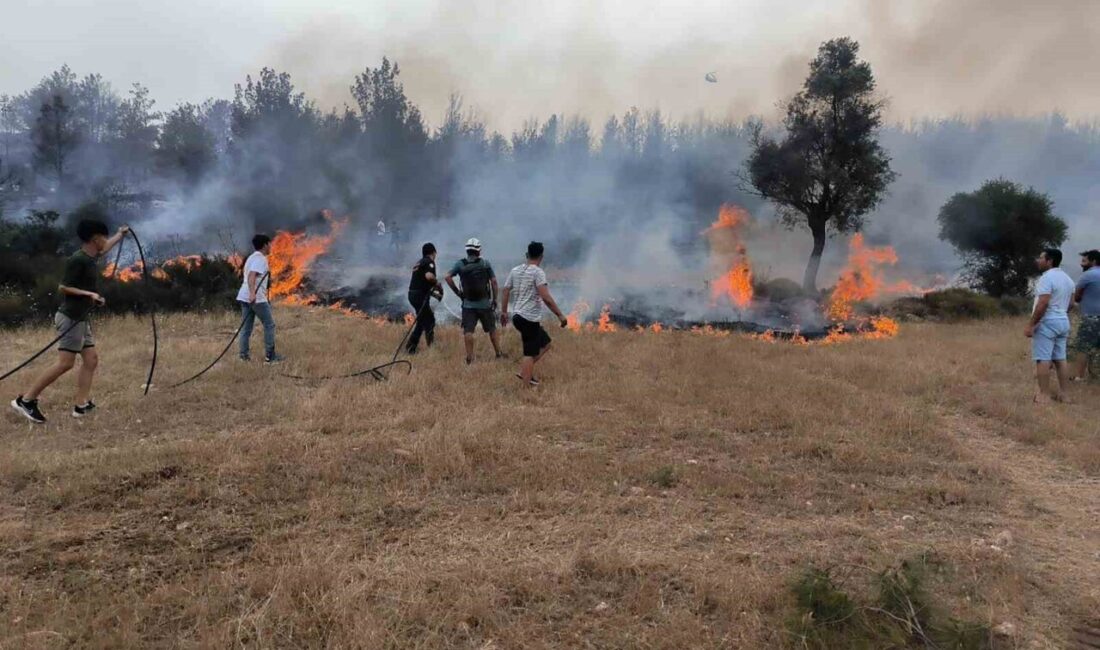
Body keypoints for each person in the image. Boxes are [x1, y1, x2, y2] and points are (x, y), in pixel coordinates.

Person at [11, 217, 129, 424]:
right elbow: (63, 287)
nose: (105, 240)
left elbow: (105, 249)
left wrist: (120, 234)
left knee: (91, 360)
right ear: (95, 238)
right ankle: (26, 401)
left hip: (81, 319)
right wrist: (90, 294)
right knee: (65, 364)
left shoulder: (92, 255)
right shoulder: (78, 260)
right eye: (103, 236)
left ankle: (81, 406)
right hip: (70, 318)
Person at [499, 241, 568, 387]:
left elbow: (505, 290)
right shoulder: (538, 272)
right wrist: (560, 315)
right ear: (541, 257)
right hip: (529, 318)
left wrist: (504, 312)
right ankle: (525, 388)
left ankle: (525, 372)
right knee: (529, 352)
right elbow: (546, 297)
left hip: (517, 316)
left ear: (526, 254)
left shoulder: (515, 270)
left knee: (546, 343)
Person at [1025, 248, 1076, 404]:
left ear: (1050, 260)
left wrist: (1031, 324)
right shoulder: (1068, 279)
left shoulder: (1046, 278)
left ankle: (1044, 395)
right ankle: (1065, 395)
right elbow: (1072, 303)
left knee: (1042, 359)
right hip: (1063, 320)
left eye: (1041, 258)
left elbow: (1043, 303)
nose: (1038, 260)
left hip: (1047, 322)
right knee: (1060, 359)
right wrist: (1061, 314)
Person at [445, 238, 504, 364]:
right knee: (492, 329)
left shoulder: (460, 264)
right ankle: (498, 353)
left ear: (467, 250)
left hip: (468, 304)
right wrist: (494, 299)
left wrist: (458, 292)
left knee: (468, 331)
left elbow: (447, 277)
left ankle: (470, 358)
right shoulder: (485, 264)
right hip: (484, 304)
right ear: (479, 251)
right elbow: (494, 282)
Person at [236, 234, 284, 364]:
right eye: (270, 244)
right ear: (265, 245)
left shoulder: (251, 257)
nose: (271, 247)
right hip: (255, 298)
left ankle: (243, 356)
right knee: (269, 325)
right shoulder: (260, 259)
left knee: (246, 328)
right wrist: (253, 294)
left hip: (243, 296)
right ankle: (270, 357)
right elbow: (252, 276)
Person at [406, 242, 442, 355]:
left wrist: (435, 294)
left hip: (413, 294)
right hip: (419, 296)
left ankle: (411, 347)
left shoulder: (419, 262)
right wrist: (438, 284)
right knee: (430, 320)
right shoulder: (429, 262)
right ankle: (431, 347)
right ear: (433, 252)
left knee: (422, 320)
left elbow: (422, 282)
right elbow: (429, 276)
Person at [1071, 249, 1100, 381]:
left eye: (1084, 261)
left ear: (1093, 261)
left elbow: (1076, 296)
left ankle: (1079, 377)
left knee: (1083, 347)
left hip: (1091, 317)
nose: (1082, 264)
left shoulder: (1088, 275)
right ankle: (1095, 376)